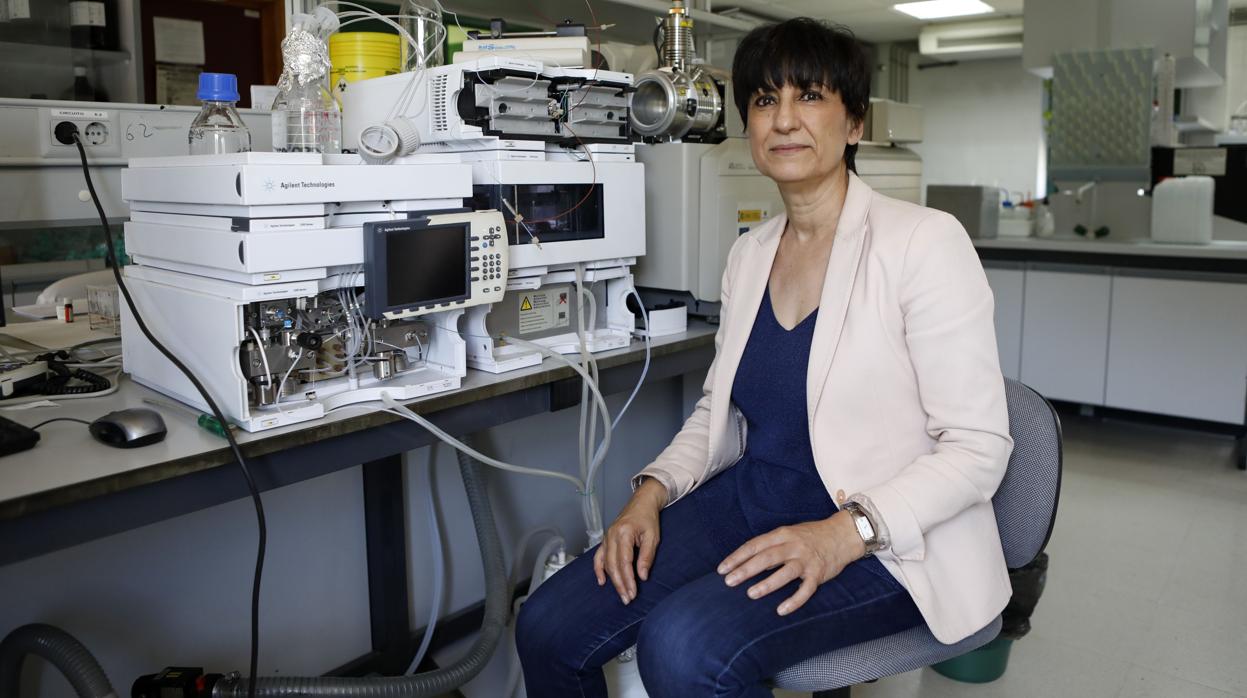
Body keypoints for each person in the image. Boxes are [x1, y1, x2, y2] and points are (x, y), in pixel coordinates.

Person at [516, 17, 1013, 698]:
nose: (783, 119)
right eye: (763, 100)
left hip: (886, 541)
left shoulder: (922, 243)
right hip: (755, 503)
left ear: (855, 123)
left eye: (808, 97)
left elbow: (978, 447)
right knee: (547, 624)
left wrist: (844, 533)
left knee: (684, 649)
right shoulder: (750, 254)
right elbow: (716, 410)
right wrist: (650, 493)